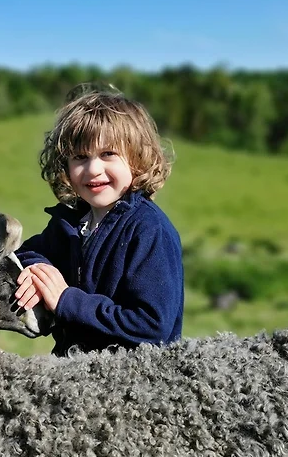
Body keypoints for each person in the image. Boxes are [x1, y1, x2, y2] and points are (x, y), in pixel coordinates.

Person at [14, 84, 184, 356]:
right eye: (80, 157)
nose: (93, 169)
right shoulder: (71, 222)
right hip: (75, 375)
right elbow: (26, 252)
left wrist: (66, 301)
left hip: (137, 383)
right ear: (65, 167)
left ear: (137, 159)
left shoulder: (149, 230)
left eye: (108, 154)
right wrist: (40, 274)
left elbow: (152, 326)